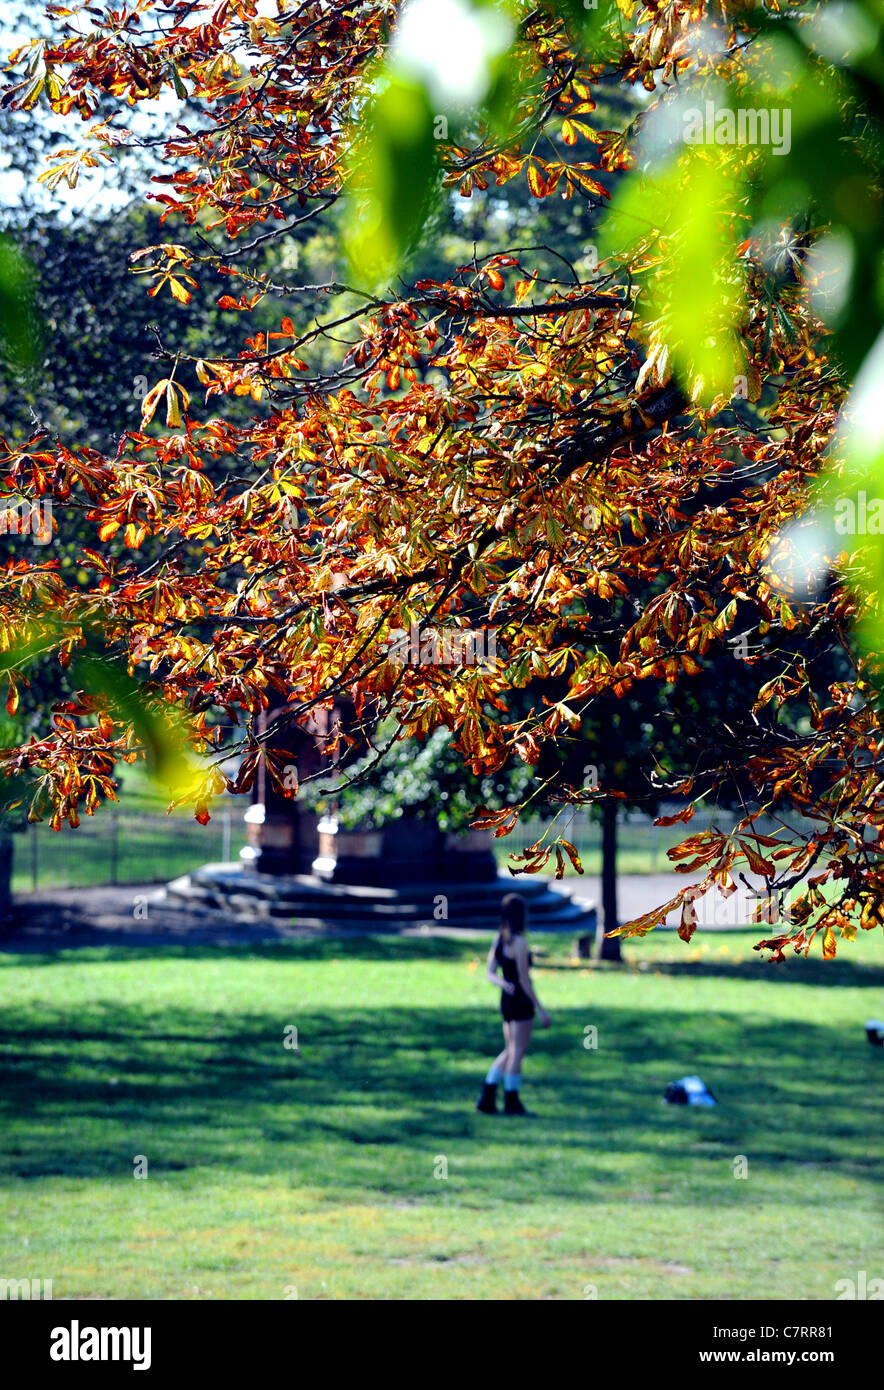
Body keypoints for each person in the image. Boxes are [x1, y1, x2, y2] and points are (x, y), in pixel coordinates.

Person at [476, 892, 550, 1116]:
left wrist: (502, 984)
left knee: (509, 1050)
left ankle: (487, 1096)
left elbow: (489, 972)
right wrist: (540, 1008)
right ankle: (512, 1101)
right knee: (517, 1052)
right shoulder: (520, 942)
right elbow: (524, 981)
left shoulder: (499, 939)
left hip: (506, 1001)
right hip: (520, 1001)